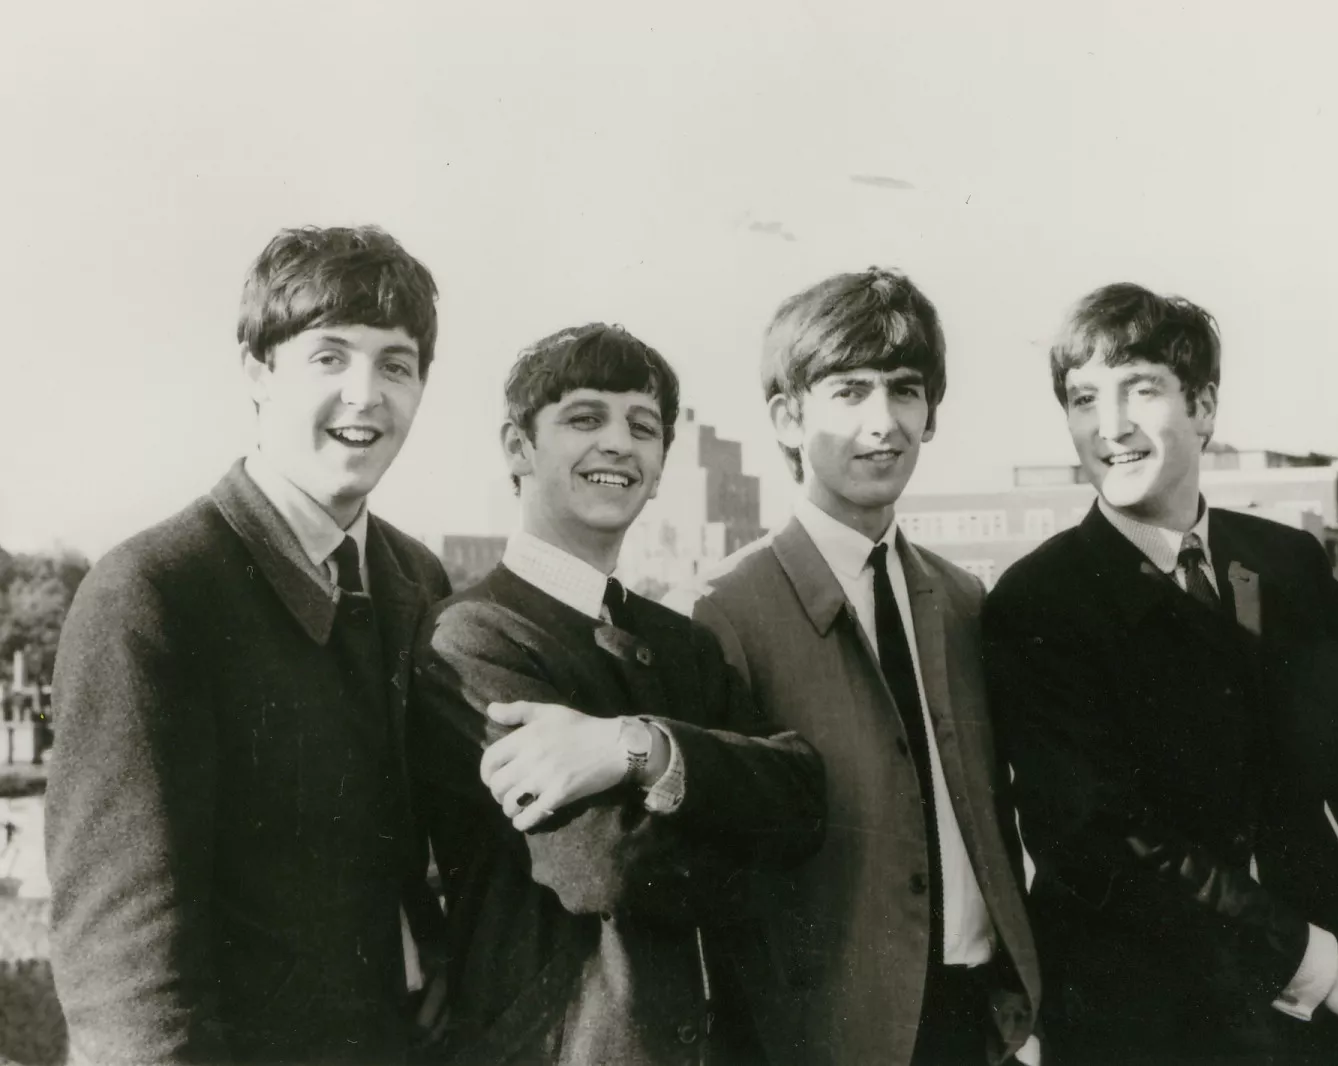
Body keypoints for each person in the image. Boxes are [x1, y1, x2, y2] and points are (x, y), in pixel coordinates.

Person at [983, 282, 1338, 1066]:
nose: (1111, 427)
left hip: (1331, 1005)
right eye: (1083, 400)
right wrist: (1315, 966)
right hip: (1144, 1019)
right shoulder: (1038, 601)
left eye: (1141, 390)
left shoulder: (1287, 566)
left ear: (1204, 407)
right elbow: (1102, 839)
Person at [46, 225, 452, 1063]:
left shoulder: (415, 577)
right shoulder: (151, 593)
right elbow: (126, 979)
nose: (366, 395)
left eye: (396, 365)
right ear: (258, 371)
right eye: (330, 357)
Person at [409, 323, 826, 1064]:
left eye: (642, 427)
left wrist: (643, 750)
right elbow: (607, 866)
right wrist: (742, 821)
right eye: (584, 418)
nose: (617, 444)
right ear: (517, 447)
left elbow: (804, 797)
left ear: (661, 468)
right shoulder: (469, 639)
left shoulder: (684, 641)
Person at [673, 269, 1040, 1065]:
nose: (884, 422)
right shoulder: (720, 612)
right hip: (824, 1037)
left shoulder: (963, 599)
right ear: (788, 416)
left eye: (905, 390)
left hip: (974, 1023)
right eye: (849, 391)